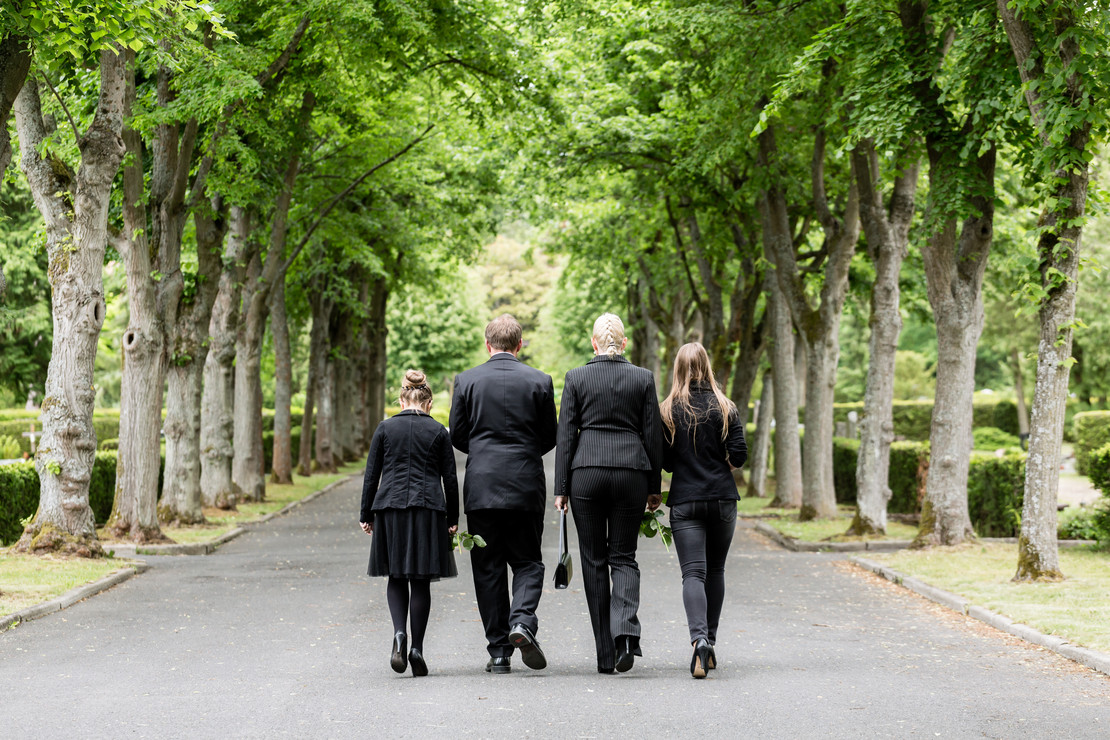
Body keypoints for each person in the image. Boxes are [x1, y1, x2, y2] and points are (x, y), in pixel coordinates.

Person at [554, 313, 664, 674]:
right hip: (631, 472)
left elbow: (566, 435)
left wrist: (561, 489)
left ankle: (605, 654)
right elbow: (653, 435)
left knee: (594, 560)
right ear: (624, 343)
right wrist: (654, 486)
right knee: (624, 557)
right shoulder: (643, 378)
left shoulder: (576, 377)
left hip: (586, 473)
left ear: (594, 343)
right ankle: (626, 636)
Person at [450, 314, 558, 674]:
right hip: (526, 482)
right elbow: (550, 435)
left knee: (488, 567)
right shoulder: (540, 381)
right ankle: (522, 621)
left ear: (487, 345)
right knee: (528, 560)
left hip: (482, 485)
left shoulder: (466, 381)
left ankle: (499, 652)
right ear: (519, 344)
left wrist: (484, 454)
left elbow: (458, 434)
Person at [360, 370, 459, 677]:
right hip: (428, 509)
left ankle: (399, 634)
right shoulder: (439, 432)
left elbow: (371, 475)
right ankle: (417, 648)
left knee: (396, 575)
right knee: (420, 579)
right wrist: (453, 518)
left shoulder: (385, 428)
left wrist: (366, 514)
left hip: (389, 508)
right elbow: (450, 479)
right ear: (428, 403)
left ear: (401, 400)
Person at [659, 343, 747, 678]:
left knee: (693, 574)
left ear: (678, 369)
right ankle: (710, 640)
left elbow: (665, 461)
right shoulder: (725, 406)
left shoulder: (668, 410)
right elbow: (739, 454)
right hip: (722, 498)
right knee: (716, 570)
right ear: (707, 366)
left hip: (686, 500)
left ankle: (699, 641)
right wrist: (721, 464)